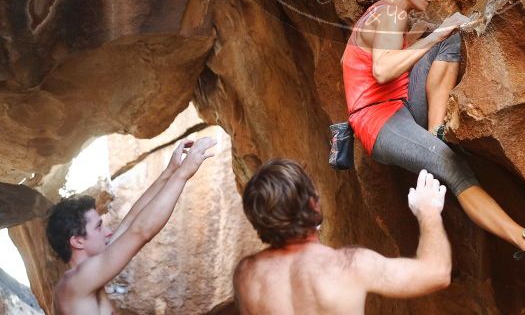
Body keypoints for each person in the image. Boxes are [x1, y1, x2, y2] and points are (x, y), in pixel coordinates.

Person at [341, 0, 525, 266]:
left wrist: (435, 34)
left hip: (399, 104)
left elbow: (356, 62)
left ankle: (435, 132)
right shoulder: (389, 11)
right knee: (454, 169)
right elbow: (381, 71)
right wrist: (432, 36)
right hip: (379, 121)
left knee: (450, 36)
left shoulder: (393, 14)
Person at [235, 160, 451, 314]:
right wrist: (428, 211)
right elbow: (436, 273)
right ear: (313, 203)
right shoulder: (348, 265)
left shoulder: (246, 275)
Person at [46, 137, 217, 315]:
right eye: (98, 227)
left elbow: (131, 222)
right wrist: (183, 174)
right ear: (78, 241)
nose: (108, 232)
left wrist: (170, 172)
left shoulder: (88, 275)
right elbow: (141, 232)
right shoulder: (77, 281)